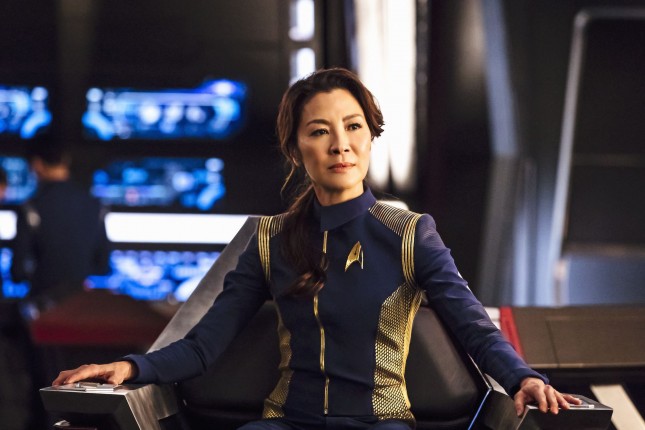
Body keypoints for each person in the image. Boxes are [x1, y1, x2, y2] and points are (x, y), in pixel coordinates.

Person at [53, 68, 580, 429]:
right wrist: (129, 368)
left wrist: (524, 378)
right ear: (295, 147)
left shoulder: (409, 233)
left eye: (353, 127)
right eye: (320, 131)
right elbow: (202, 347)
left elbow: (474, 326)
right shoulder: (270, 240)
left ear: (370, 136)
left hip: (381, 424)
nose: (340, 145)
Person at [11, 138, 110, 314]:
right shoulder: (94, 205)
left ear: (36, 164)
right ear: (66, 161)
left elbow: (18, 272)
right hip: (81, 307)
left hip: (42, 308)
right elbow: (103, 265)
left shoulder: (31, 207)